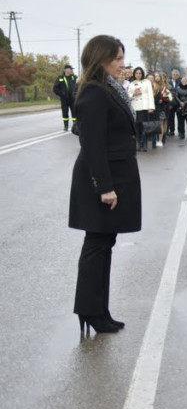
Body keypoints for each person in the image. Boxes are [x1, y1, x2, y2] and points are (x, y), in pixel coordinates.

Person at [68, 35, 140, 334]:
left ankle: (100, 310)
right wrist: (104, 187)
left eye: (124, 58)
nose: (123, 65)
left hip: (114, 176)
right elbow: (93, 144)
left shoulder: (109, 89)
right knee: (97, 245)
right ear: (100, 60)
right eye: (117, 59)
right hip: (101, 180)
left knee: (103, 244)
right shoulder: (95, 92)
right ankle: (90, 311)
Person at [126, 67, 155, 152]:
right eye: (136, 73)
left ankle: (144, 143)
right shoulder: (131, 84)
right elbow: (128, 96)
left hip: (144, 107)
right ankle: (138, 142)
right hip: (135, 107)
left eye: (140, 73)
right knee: (137, 126)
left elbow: (150, 95)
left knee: (144, 126)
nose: (138, 75)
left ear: (142, 74)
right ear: (134, 74)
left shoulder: (147, 82)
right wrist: (134, 94)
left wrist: (151, 107)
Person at [53, 64, 78, 132]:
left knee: (74, 113)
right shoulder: (60, 78)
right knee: (65, 113)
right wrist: (62, 94)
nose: (72, 70)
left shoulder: (74, 77)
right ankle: (66, 126)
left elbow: (80, 86)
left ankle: (75, 126)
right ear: (66, 70)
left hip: (73, 99)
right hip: (64, 99)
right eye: (71, 69)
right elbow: (55, 88)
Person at [166, 68, 181, 137]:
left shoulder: (181, 82)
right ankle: (171, 130)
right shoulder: (168, 82)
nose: (175, 76)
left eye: (176, 74)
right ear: (171, 75)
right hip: (171, 103)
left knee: (179, 118)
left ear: (178, 75)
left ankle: (180, 131)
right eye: (173, 74)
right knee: (170, 117)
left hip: (178, 103)